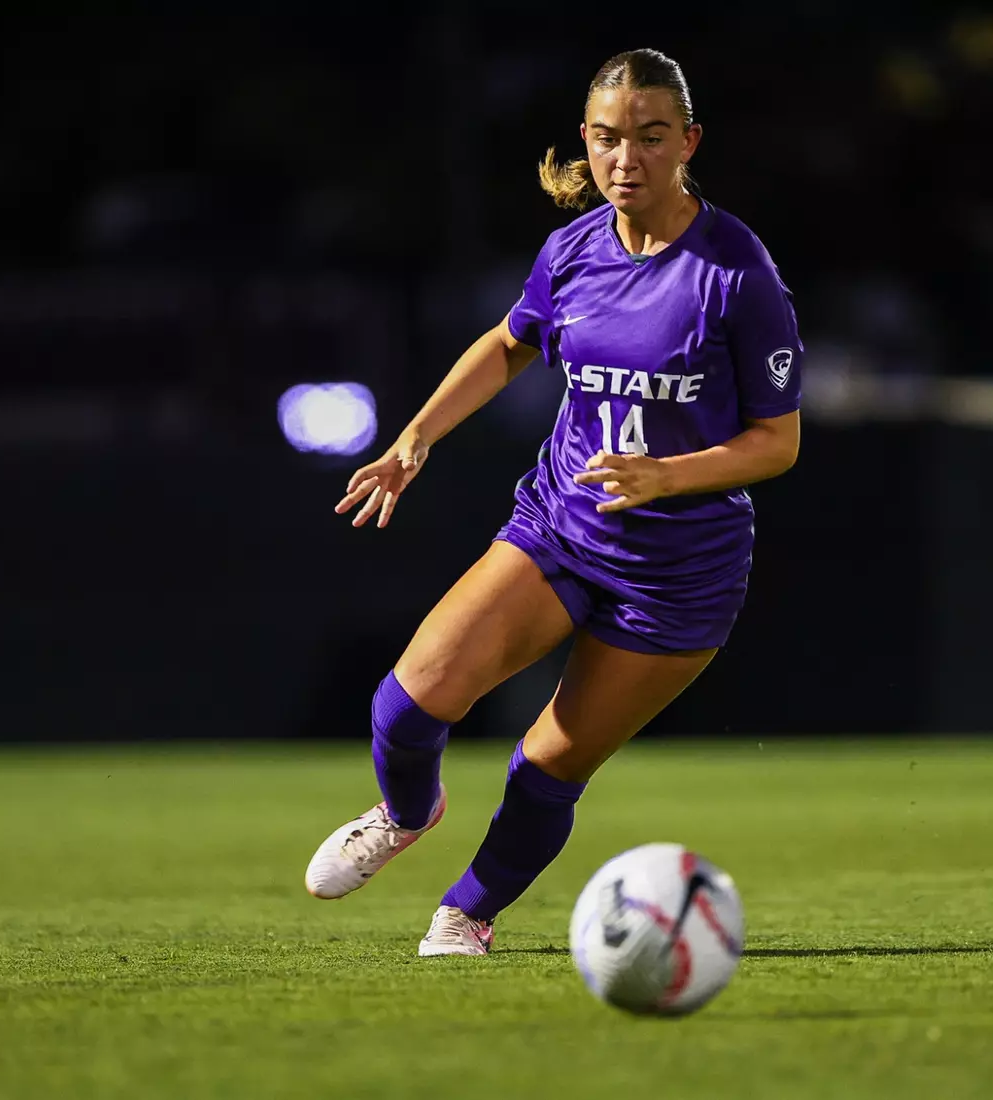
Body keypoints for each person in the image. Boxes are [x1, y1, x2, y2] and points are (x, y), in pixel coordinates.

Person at [304, 48, 803, 956]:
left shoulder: (737, 271)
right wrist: (416, 438)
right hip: (562, 528)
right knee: (407, 706)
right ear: (586, 139)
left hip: (679, 576)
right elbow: (508, 344)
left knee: (547, 763)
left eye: (652, 138)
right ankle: (406, 813)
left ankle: (467, 914)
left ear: (687, 142)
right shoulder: (573, 249)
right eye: (609, 139)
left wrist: (666, 476)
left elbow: (779, 440)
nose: (627, 160)